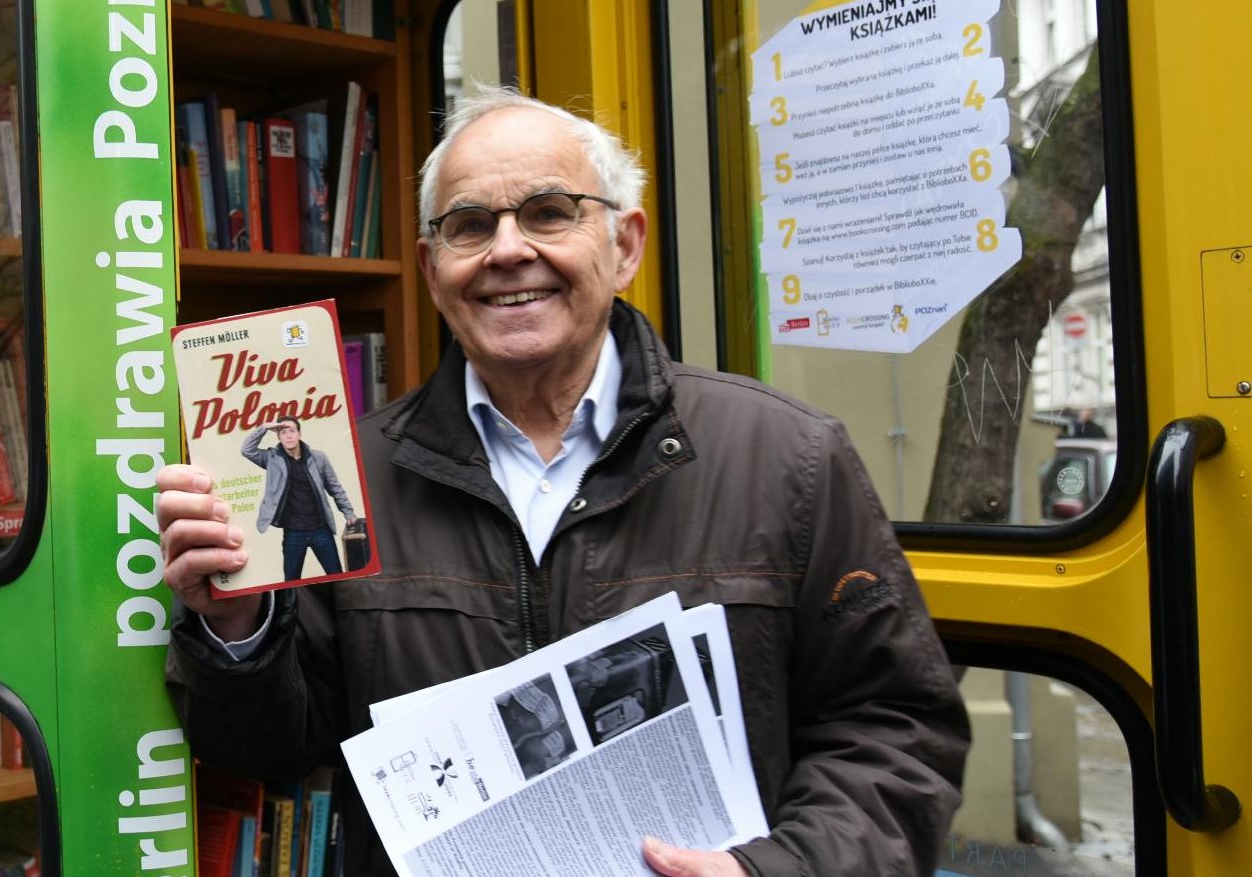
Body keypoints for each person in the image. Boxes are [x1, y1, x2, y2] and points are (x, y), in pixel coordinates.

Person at [159, 88, 970, 876]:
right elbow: (269, 750)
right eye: (470, 225)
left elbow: (895, 733)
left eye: (549, 212)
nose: (509, 250)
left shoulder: (792, 458)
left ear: (625, 245)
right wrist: (239, 627)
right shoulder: (361, 471)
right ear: (433, 268)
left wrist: (774, 870)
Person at [243, 416, 357, 581]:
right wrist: (264, 427)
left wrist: (348, 512)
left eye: (292, 431)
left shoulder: (318, 458)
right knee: (291, 582)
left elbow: (335, 488)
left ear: (299, 434)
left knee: (338, 578)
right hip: (293, 533)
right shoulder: (271, 459)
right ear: (278, 437)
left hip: (321, 530)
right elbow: (247, 450)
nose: (288, 436)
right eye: (283, 432)